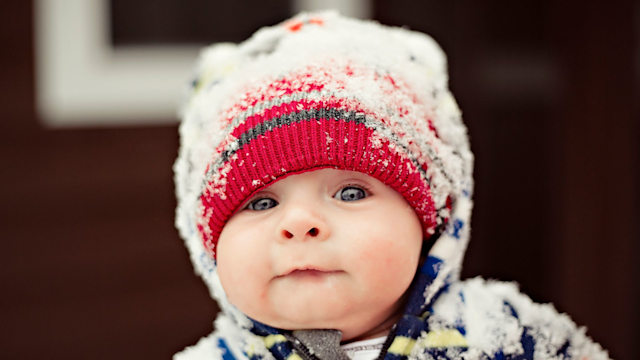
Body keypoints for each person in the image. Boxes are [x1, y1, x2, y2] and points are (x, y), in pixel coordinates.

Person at [173, 11, 609, 360]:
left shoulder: (510, 337)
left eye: (351, 192)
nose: (299, 223)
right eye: (261, 201)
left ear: (431, 225)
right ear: (209, 246)